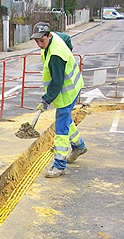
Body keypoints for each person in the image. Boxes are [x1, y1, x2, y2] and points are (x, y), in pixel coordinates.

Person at [31, 22, 88, 178]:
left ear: (49, 36)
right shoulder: (56, 36)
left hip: (66, 93)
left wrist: (46, 100)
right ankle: (79, 146)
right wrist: (69, 55)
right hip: (73, 87)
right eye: (36, 41)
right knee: (66, 120)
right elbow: (67, 38)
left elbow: (57, 82)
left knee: (61, 130)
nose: (39, 44)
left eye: (41, 41)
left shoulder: (56, 54)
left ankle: (59, 166)